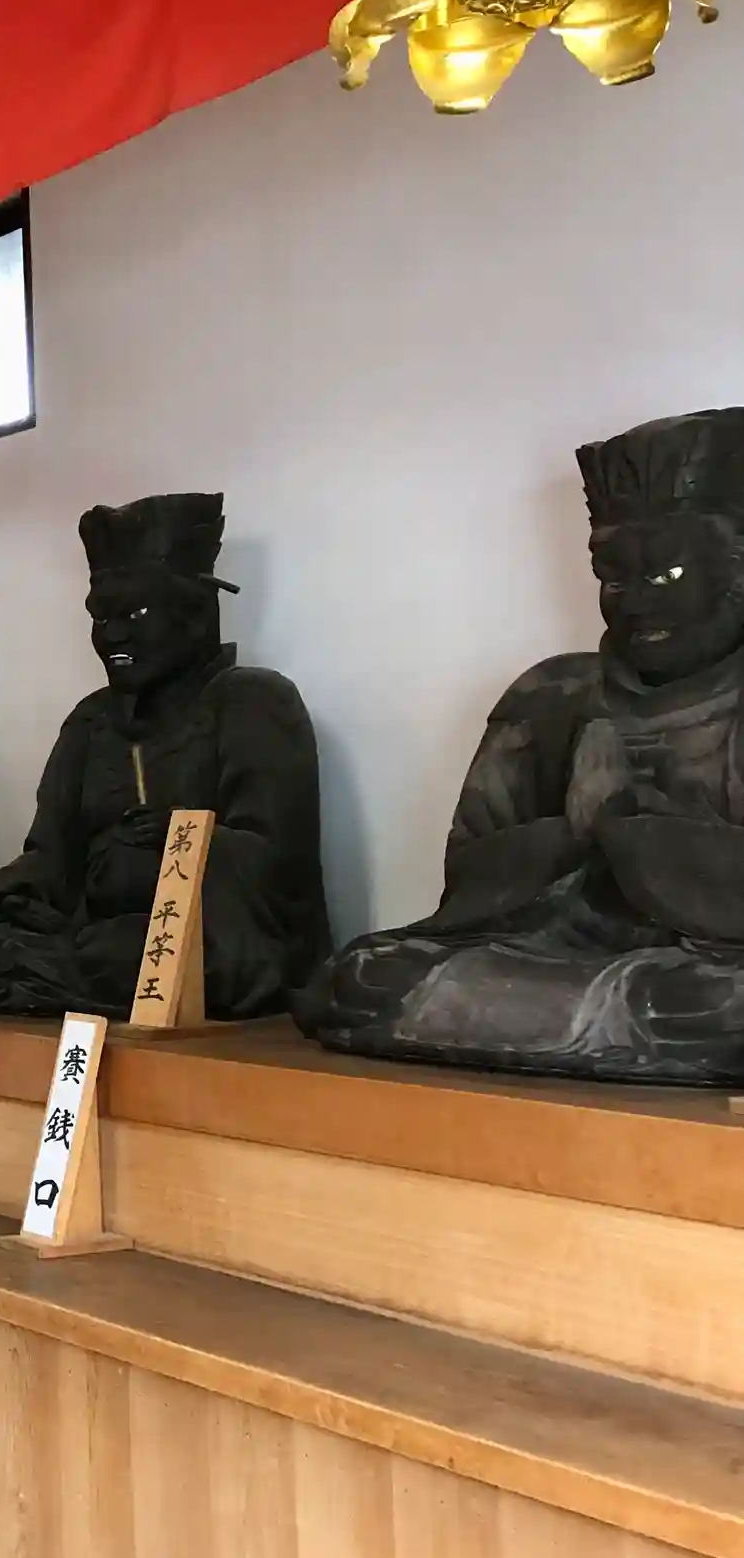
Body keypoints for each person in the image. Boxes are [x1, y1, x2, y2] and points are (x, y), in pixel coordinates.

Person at [302, 410, 744, 1085]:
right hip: (550, 955)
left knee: (709, 1004)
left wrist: (625, 827)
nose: (634, 604)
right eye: (614, 578)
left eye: (668, 573)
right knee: (365, 975)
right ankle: (593, 1022)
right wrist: (570, 834)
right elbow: (467, 877)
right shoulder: (553, 695)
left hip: (696, 973)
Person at [0, 493, 326, 1019]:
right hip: (87, 928)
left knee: (122, 953)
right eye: (101, 616)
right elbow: (49, 860)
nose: (113, 634)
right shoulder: (91, 723)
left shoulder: (253, 702)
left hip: (199, 936)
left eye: (136, 612)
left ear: (196, 612)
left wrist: (177, 841)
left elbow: (276, 865)